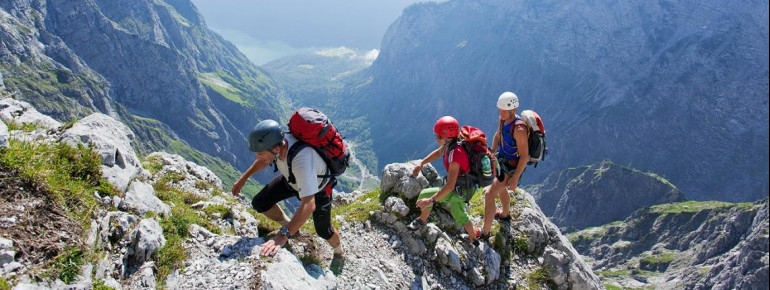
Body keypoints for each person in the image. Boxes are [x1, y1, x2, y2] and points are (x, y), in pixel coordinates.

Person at [231, 119, 344, 259]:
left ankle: (339, 252)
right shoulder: (278, 144)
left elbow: (309, 204)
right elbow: (263, 160)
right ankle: (291, 228)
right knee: (260, 202)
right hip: (292, 180)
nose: (257, 157)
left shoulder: (302, 161)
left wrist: (283, 236)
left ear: (276, 149)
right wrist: (244, 178)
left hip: (318, 189)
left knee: (324, 231)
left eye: (260, 153)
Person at [408, 116, 479, 243]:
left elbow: (450, 186)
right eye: (436, 135)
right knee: (459, 214)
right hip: (467, 188)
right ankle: (474, 239)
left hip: (459, 190)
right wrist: (422, 163)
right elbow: (438, 153)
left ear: (448, 136)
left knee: (425, 193)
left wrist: (431, 201)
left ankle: (421, 220)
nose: (436, 138)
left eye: (439, 137)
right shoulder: (451, 144)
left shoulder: (455, 154)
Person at [479, 92, 529, 237]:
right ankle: (505, 214)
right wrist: (492, 151)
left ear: (513, 110)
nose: (500, 113)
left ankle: (485, 232)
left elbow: (524, 156)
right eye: (499, 110)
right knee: (500, 189)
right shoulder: (503, 119)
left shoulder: (519, 129)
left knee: (489, 195)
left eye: (503, 111)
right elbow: (498, 134)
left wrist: (515, 178)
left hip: (512, 166)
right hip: (502, 159)